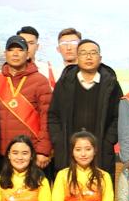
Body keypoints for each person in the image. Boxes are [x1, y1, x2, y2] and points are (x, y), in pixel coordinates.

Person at [48, 39, 119, 179]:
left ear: (100, 58)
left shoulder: (111, 84)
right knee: (68, 188)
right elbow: (53, 115)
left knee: (99, 188)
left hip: (100, 149)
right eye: (84, 53)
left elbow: (118, 117)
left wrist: (108, 140)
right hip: (68, 149)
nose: (88, 57)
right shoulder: (65, 82)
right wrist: (58, 140)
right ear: (77, 57)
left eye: (93, 53)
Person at [0, 35, 55, 178]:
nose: (15, 54)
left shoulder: (40, 81)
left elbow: (48, 117)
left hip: (31, 153)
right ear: (5, 54)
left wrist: (43, 150)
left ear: (27, 54)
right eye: (11, 50)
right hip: (1, 154)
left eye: (20, 50)